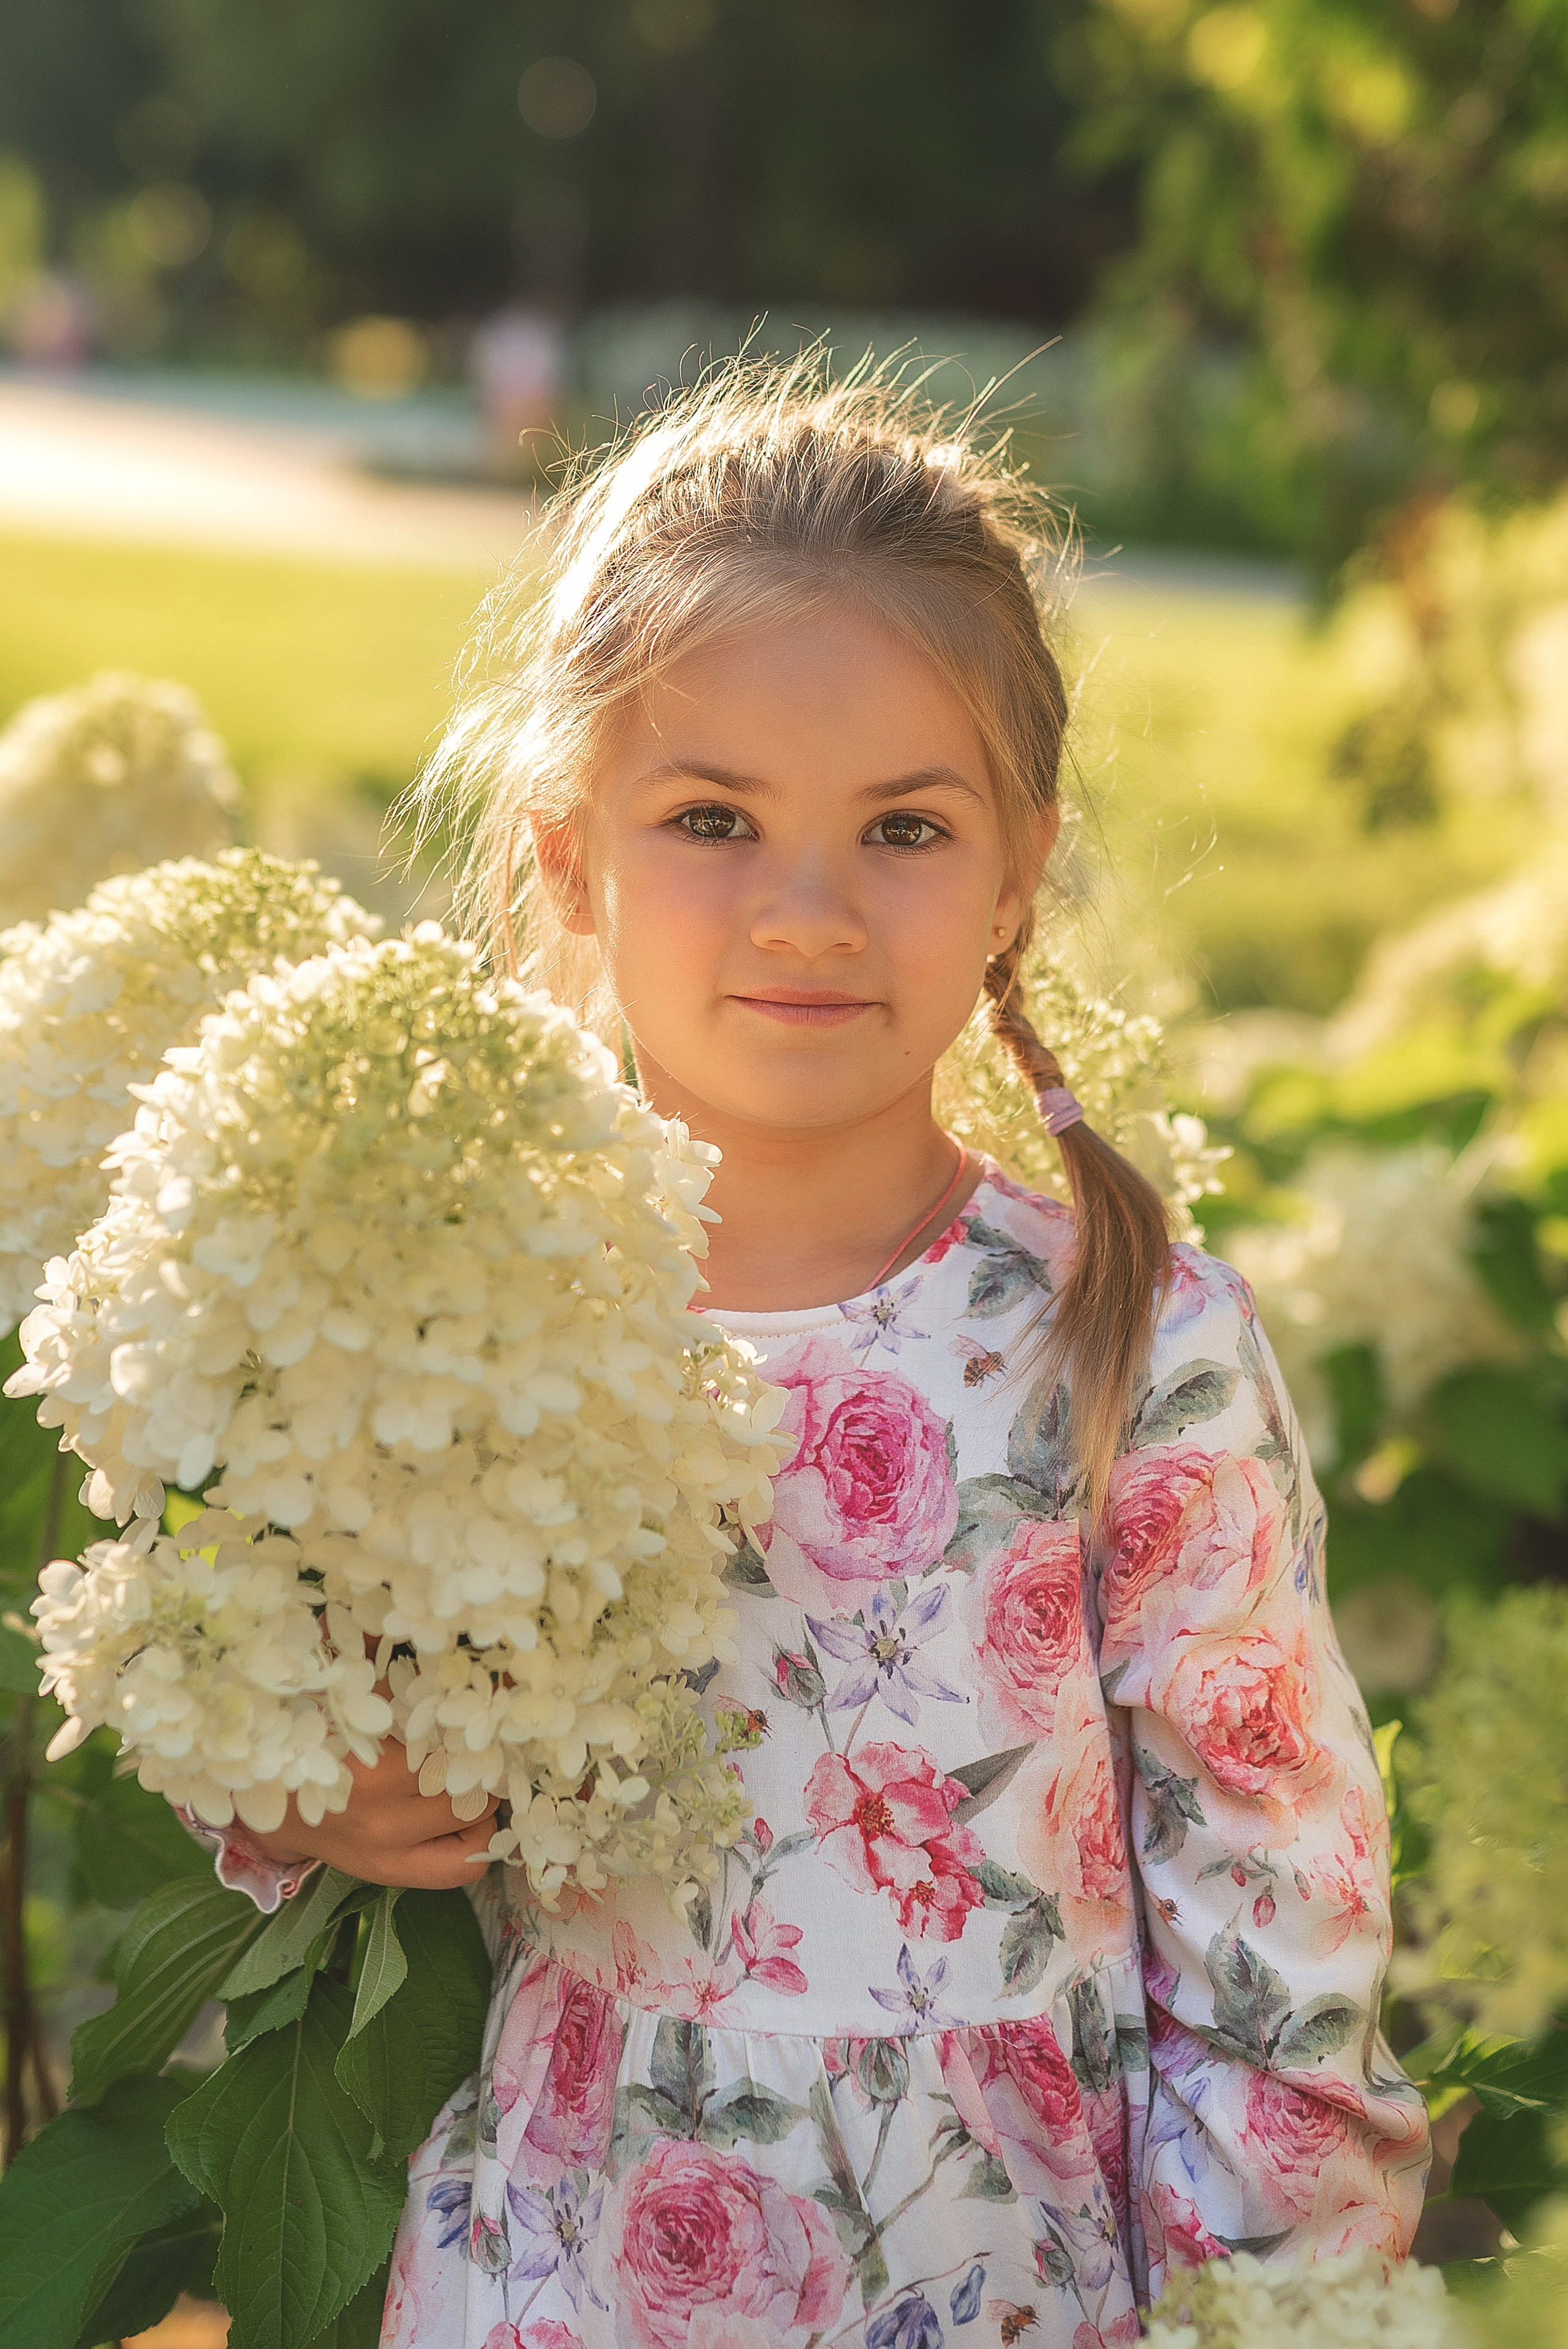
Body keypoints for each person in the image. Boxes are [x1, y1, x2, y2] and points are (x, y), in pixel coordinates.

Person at [195, 361, 1431, 2347]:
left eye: (904, 829)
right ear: (571, 856)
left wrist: (1275, 2305)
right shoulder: (459, 1317)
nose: (808, 909)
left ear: (1020, 868)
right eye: (712, 817)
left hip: (1013, 2277)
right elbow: (259, 1664)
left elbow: (1280, 1904)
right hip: (563, 2261)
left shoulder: (1128, 1338)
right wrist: (307, 1802)